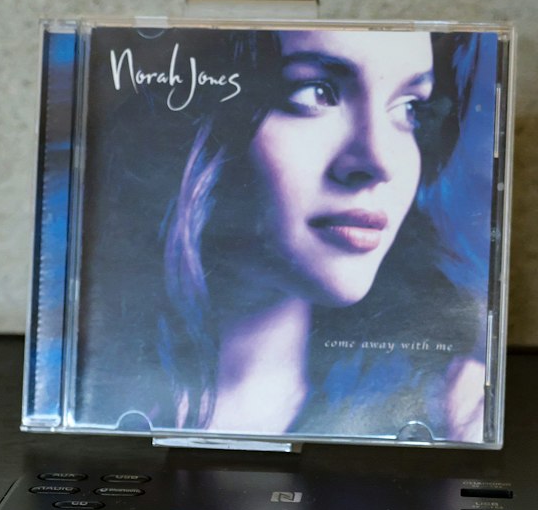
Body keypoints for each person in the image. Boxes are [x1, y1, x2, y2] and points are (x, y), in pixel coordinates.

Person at [75, 24, 498, 443]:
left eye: (409, 108)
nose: (379, 160)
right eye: (315, 92)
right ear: (193, 119)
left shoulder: (453, 415)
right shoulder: (78, 392)